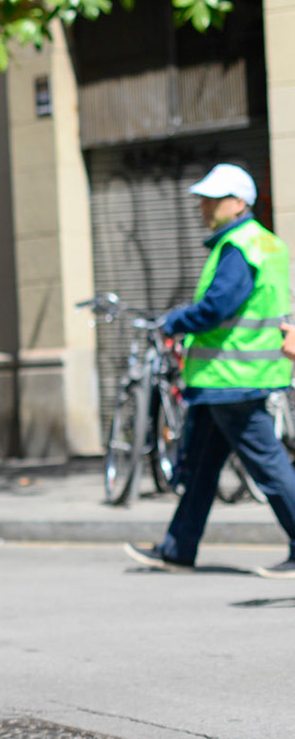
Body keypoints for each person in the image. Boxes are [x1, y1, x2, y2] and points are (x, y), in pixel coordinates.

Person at [124, 164, 295, 579]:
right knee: (199, 467)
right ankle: (177, 549)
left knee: (269, 468)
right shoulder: (265, 243)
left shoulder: (238, 246)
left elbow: (218, 307)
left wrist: (175, 321)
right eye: (203, 198)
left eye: (213, 199)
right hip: (225, 380)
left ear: (239, 203)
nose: (203, 206)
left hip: (232, 380)